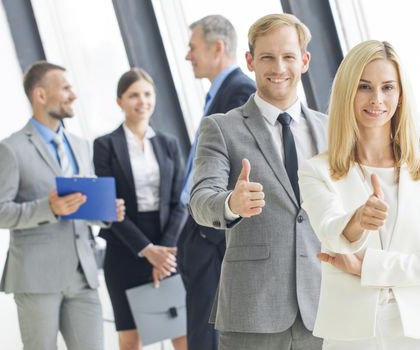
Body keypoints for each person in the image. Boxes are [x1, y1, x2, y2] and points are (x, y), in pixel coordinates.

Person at [298, 40, 420, 350]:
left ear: (400, 96)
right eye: (364, 87)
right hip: (351, 334)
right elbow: (333, 233)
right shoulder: (316, 170)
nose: (377, 99)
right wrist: (359, 221)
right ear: (347, 92)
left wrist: (369, 267)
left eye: (388, 87)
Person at [188, 13, 327, 350]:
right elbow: (200, 199)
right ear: (250, 61)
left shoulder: (330, 129)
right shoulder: (221, 127)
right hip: (254, 310)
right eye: (267, 57)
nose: (279, 67)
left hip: (323, 307)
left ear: (304, 61)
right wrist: (231, 204)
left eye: (288, 57)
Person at [0, 61, 125, 350]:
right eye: (65, 88)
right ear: (40, 95)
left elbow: (80, 205)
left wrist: (106, 212)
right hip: (37, 278)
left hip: (83, 275)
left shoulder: (80, 145)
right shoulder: (9, 150)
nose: (73, 95)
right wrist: (48, 209)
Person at [93, 68, 188, 350]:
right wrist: (147, 250)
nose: (142, 101)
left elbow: (180, 201)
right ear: (119, 101)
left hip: (167, 248)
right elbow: (109, 208)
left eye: (147, 94)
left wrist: (163, 253)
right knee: (130, 339)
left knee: (181, 335)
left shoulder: (168, 144)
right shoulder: (105, 146)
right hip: (125, 249)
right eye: (133, 95)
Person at [179, 14, 256, 350]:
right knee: (202, 330)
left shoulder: (239, 91)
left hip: (212, 234)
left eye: (192, 47)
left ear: (218, 47)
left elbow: (244, 162)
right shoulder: (220, 92)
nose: (187, 56)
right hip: (200, 228)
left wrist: (207, 232)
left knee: (207, 335)